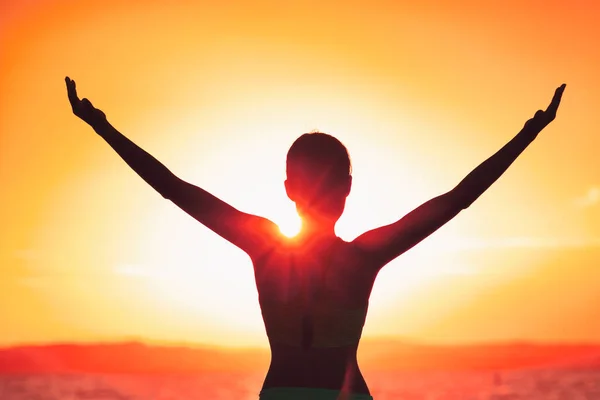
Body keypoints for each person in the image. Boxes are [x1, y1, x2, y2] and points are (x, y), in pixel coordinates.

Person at [65, 76, 565, 400]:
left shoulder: (264, 246)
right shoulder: (364, 256)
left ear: (288, 189)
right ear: (348, 189)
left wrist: (103, 127)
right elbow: (457, 199)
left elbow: (177, 190)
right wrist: (530, 132)